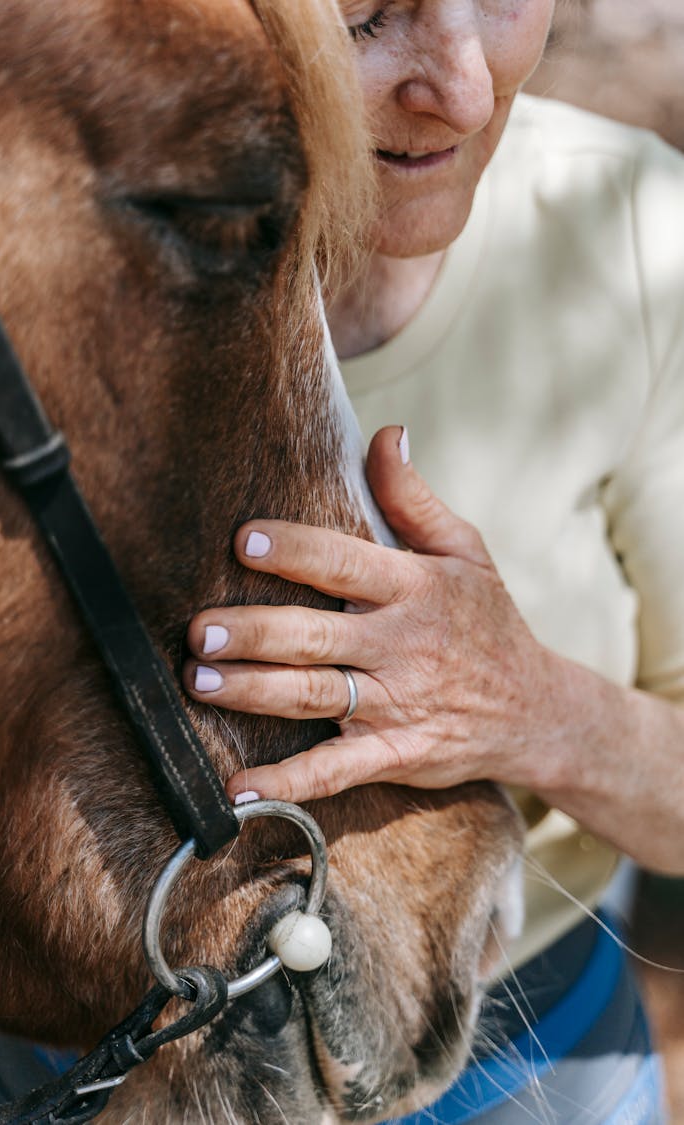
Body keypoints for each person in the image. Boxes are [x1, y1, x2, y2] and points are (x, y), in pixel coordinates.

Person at [182, 0, 684, 1120]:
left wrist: (535, 707)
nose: (461, 89)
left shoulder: (639, 237)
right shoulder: (13, 263)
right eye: (365, 17)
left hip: (521, 1051)